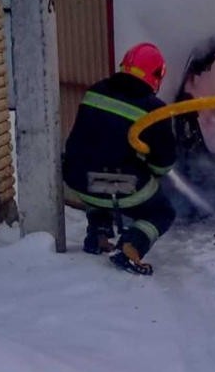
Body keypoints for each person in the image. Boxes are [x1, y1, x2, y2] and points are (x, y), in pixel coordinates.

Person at [63, 43, 177, 276]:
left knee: (100, 174)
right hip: (115, 186)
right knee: (163, 212)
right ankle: (131, 247)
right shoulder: (155, 110)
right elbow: (163, 164)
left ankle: (99, 234)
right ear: (156, 75)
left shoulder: (96, 90)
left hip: (76, 178)